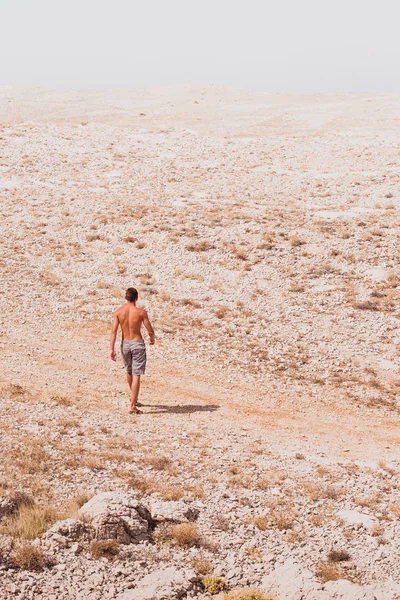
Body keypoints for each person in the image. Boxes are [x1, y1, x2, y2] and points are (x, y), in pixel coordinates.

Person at [110, 287, 155, 414]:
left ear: (126, 298)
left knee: (129, 371)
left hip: (125, 344)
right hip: (137, 343)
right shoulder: (141, 312)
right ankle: (132, 405)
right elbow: (149, 329)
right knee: (137, 374)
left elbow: (113, 332)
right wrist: (152, 338)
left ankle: (133, 398)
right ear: (136, 298)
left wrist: (111, 349)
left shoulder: (118, 312)